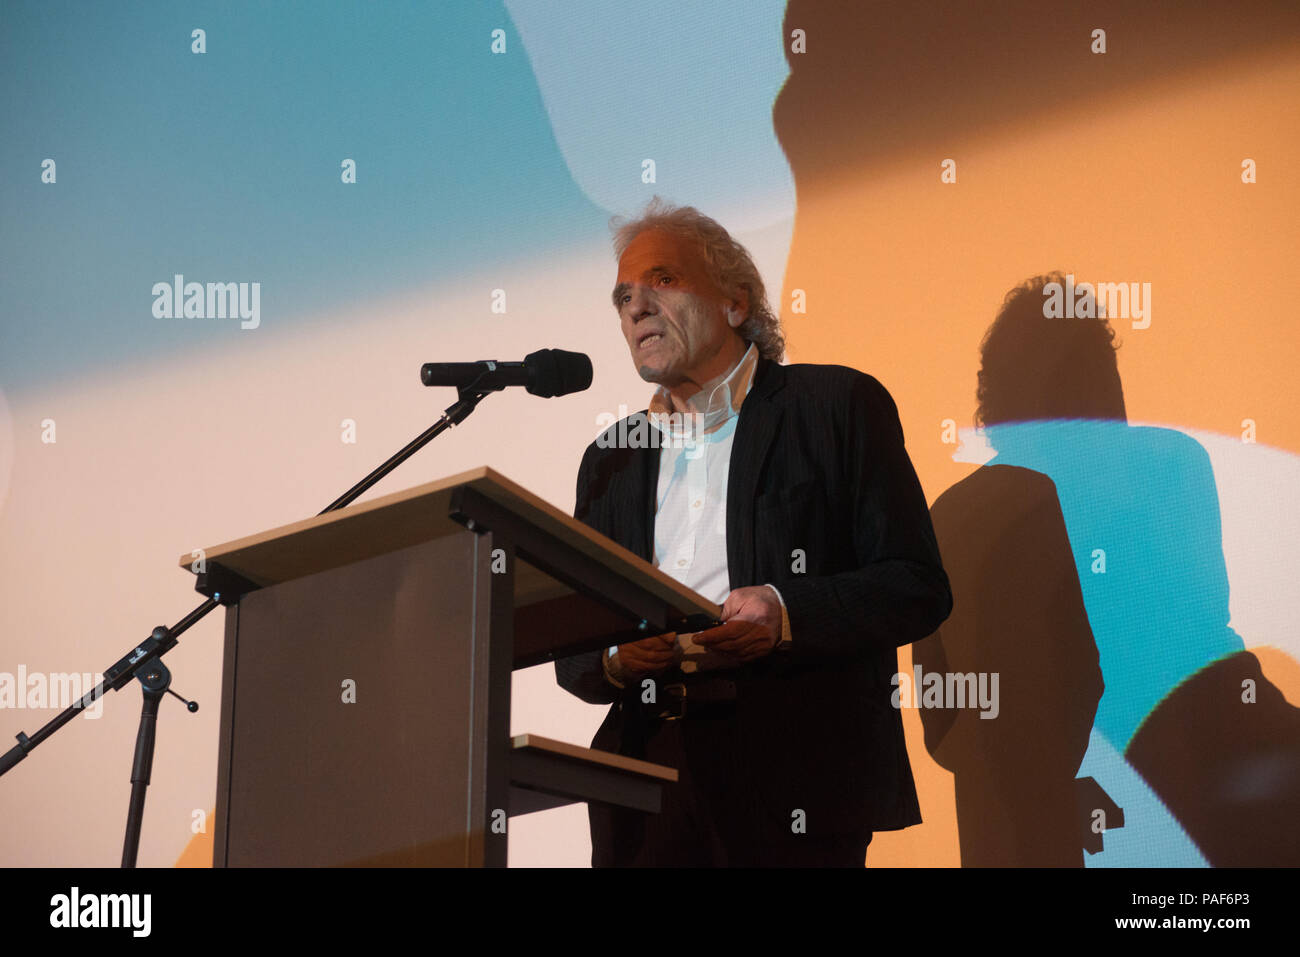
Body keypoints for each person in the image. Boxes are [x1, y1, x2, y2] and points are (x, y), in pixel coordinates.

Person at [555, 197, 952, 866]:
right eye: (624, 297)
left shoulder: (833, 408)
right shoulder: (611, 460)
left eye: (663, 280)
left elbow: (915, 584)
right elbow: (575, 650)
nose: (637, 307)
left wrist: (785, 611)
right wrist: (617, 658)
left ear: (736, 302)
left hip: (790, 764)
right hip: (645, 779)